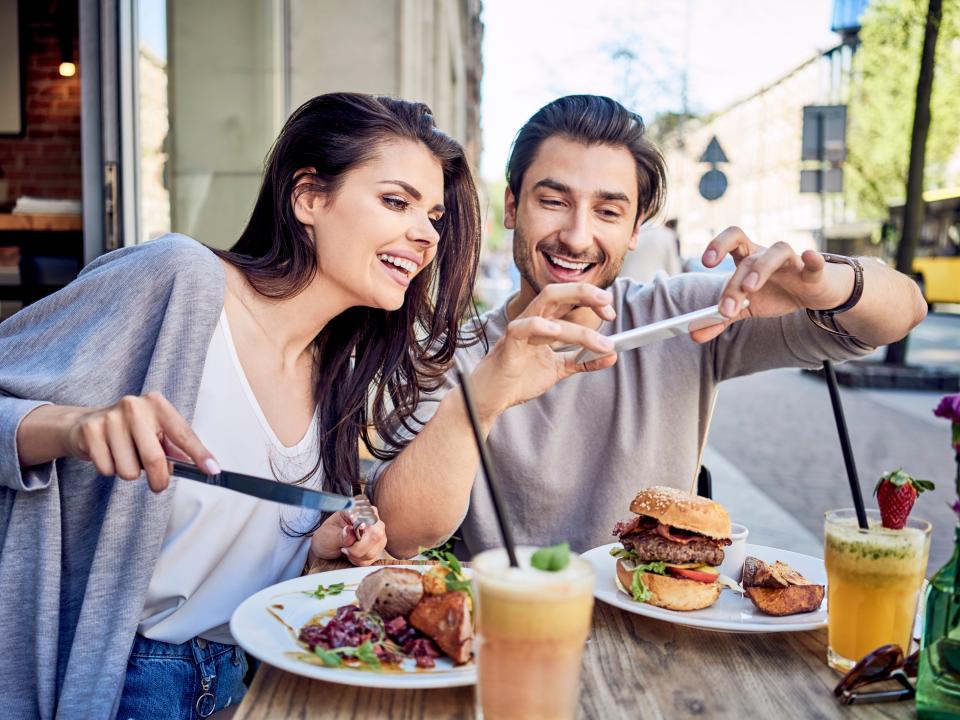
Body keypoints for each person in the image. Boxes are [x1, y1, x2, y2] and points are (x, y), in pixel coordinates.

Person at [0, 92, 480, 719]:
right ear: (308, 197)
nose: (424, 235)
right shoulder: (179, 282)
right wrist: (73, 425)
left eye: (436, 217)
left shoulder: (336, 374)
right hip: (116, 685)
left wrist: (316, 554)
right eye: (396, 201)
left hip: (235, 686)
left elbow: (243, 584)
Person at [371, 94, 927, 561]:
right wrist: (484, 400)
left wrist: (825, 287)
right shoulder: (449, 357)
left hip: (661, 635)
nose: (577, 236)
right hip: (509, 637)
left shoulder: (682, 315)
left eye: (609, 212)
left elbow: (901, 313)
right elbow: (402, 532)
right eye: (554, 201)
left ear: (637, 230)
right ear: (513, 206)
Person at [619, 218, 681, 283]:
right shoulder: (667, 235)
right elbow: (674, 273)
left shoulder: (624, 232)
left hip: (621, 287)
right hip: (651, 288)